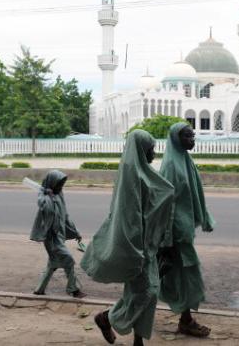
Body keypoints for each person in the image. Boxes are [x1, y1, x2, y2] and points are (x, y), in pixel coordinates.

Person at [80, 130, 174, 346]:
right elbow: (129, 214)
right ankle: (107, 317)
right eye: (151, 150)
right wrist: (135, 248)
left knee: (143, 294)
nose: (154, 154)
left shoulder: (144, 171)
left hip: (148, 245)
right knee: (148, 292)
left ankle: (138, 341)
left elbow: (156, 198)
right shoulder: (132, 171)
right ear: (141, 150)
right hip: (136, 246)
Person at [159, 122, 215, 338]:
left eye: (193, 136)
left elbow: (193, 194)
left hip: (183, 230)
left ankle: (185, 319)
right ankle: (186, 320)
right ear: (176, 139)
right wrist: (167, 237)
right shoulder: (172, 165)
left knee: (172, 276)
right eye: (188, 137)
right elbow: (168, 204)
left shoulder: (185, 160)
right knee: (185, 276)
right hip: (175, 233)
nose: (193, 140)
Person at [30, 169, 86, 298]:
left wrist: (75, 232)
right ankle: (73, 289)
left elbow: (65, 215)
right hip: (51, 238)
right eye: (59, 183)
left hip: (59, 236)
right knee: (69, 260)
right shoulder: (44, 197)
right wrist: (46, 195)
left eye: (62, 183)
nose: (61, 186)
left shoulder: (59, 194)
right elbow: (45, 208)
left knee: (52, 264)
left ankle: (39, 290)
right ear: (52, 183)